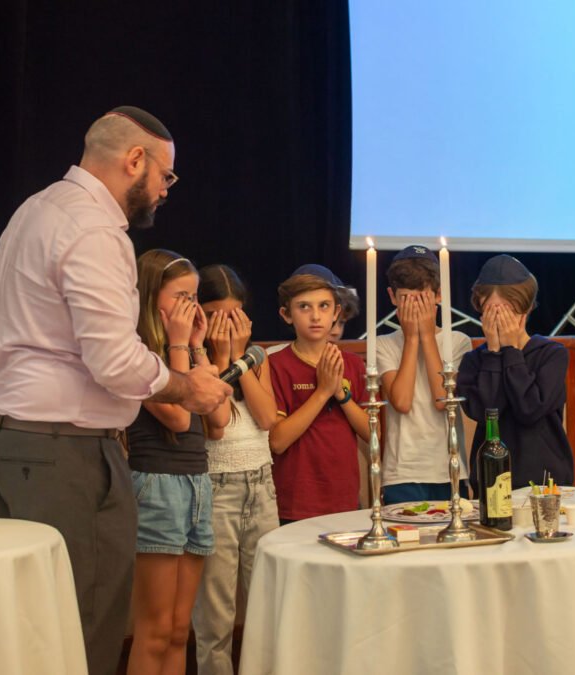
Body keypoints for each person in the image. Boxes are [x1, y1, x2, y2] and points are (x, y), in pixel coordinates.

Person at [0, 106, 230, 675]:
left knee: (46, 627)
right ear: (134, 160)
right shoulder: (94, 228)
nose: (166, 190)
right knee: (83, 628)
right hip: (62, 449)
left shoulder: (36, 209)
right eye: (166, 175)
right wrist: (185, 387)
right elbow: (113, 359)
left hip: (21, 441)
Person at [126, 250, 230, 675]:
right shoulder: (137, 355)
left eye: (195, 297)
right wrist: (177, 343)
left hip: (196, 486)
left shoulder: (184, 353)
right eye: (181, 296)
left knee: (177, 631)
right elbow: (179, 415)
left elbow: (219, 420)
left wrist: (199, 347)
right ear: (152, 298)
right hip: (156, 486)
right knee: (153, 630)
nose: (191, 306)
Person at [191, 264, 279, 675]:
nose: (226, 324)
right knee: (216, 614)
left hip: (261, 484)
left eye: (235, 314)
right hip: (216, 488)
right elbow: (217, 425)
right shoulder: (194, 359)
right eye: (216, 314)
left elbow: (266, 418)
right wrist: (225, 357)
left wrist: (242, 360)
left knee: (269, 602)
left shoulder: (255, 357)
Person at [456, 254, 574, 489]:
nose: (500, 318)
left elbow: (530, 409)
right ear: (480, 308)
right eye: (492, 310)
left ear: (526, 308)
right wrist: (493, 353)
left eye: (508, 310)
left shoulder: (551, 354)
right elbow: (487, 412)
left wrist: (511, 351)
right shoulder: (473, 361)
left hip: (545, 479)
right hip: (492, 480)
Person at [268, 272, 370, 522]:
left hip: (344, 498)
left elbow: (373, 433)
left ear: (336, 312)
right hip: (296, 501)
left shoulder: (353, 364)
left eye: (323, 306)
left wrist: (342, 396)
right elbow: (277, 441)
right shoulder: (275, 365)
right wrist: (323, 392)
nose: (315, 316)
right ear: (286, 315)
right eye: (304, 307)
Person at [378, 245, 473, 504]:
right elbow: (402, 402)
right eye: (407, 299)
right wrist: (411, 339)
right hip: (403, 473)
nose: (416, 308)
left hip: (449, 468)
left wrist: (428, 337)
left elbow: (443, 399)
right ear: (392, 297)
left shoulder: (458, 340)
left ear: (439, 295)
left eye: (422, 298)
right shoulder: (384, 344)